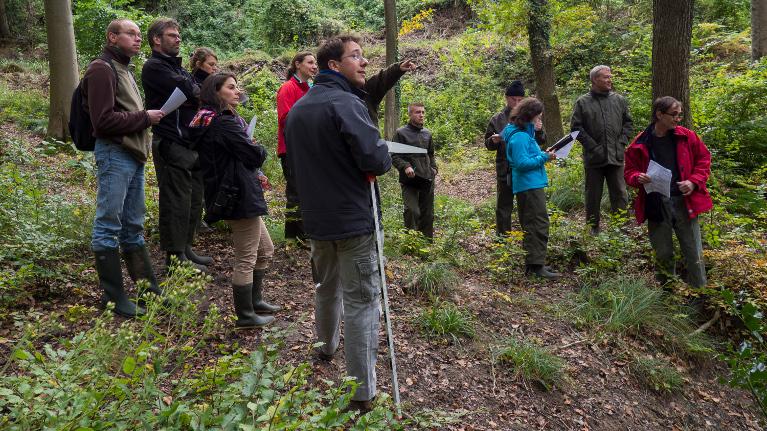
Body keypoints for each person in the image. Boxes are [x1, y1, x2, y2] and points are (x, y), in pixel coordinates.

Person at [284, 35, 392, 413]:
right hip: (353, 219)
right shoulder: (346, 102)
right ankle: (362, 392)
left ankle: (325, 346)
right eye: (356, 57)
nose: (364, 63)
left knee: (325, 287)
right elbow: (374, 159)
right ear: (334, 65)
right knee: (362, 301)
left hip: (316, 219)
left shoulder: (299, 110)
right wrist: (383, 153)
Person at [82, 19, 165, 317]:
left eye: (140, 34)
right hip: (115, 153)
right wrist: (145, 117)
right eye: (131, 34)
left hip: (133, 155)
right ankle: (115, 298)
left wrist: (143, 119)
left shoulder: (124, 69)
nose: (138, 38)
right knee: (108, 225)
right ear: (112, 37)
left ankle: (148, 292)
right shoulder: (101, 69)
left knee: (133, 226)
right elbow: (102, 122)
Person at [189, 72, 281, 328]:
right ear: (216, 92)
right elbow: (254, 155)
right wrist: (256, 146)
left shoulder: (206, 120)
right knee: (246, 256)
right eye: (231, 87)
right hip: (237, 193)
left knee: (265, 250)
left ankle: (255, 301)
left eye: (237, 86)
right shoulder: (224, 122)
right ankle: (245, 315)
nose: (237, 91)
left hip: (233, 190)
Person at [141, 18, 210, 271]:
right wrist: (195, 91)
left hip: (190, 142)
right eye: (172, 35)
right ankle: (174, 256)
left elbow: (197, 90)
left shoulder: (177, 67)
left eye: (178, 35)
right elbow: (193, 91)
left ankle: (187, 248)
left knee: (194, 198)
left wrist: (196, 91)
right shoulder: (154, 67)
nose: (178, 38)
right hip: (171, 141)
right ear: (157, 39)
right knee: (176, 200)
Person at [624, 96, 712, 288]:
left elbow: (704, 159)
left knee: (693, 251)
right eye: (674, 115)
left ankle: (700, 294)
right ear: (659, 114)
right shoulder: (641, 142)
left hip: (684, 202)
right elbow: (629, 172)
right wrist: (637, 177)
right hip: (656, 203)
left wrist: (693, 182)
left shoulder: (687, 136)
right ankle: (667, 296)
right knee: (663, 252)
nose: (677, 119)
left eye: (679, 115)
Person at [502, 98, 561, 280]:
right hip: (528, 185)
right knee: (536, 224)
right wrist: (544, 158)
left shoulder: (525, 134)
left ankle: (536, 262)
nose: (540, 118)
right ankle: (535, 267)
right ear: (530, 115)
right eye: (538, 116)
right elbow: (521, 163)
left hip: (531, 183)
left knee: (536, 223)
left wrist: (542, 154)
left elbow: (528, 156)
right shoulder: (519, 136)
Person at [570, 65, 633, 233]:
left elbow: (628, 123)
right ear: (594, 80)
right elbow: (576, 129)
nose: (609, 79)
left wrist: (621, 142)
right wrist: (594, 147)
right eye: (605, 77)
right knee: (593, 195)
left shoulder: (619, 100)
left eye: (610, 76)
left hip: (616, 155)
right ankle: (593, 229)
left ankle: (621, 230)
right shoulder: (582, 102)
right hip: (594, 158)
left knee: (620, 194)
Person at [484, 81, 545, 237]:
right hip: (505, 168)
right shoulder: (497, 119)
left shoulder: (531, 117)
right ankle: (503, 238)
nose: (516, 103)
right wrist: (494, 141)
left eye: (520, 100)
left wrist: (538, 131)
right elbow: (488, 144)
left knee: (527, 206)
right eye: (513, 99)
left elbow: (541, 141)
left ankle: (528, 237)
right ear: (506, 98)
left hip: (526, 170)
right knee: (504, 204)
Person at [276, 52, 317, 243]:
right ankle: (299, 235)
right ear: (297, 64)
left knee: (305, 191)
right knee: (296, 192)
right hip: (291, 148)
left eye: (315, 63)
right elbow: (285, 118)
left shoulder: (310, 89)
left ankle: (292, 236)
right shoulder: (287, 88)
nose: (314, 66)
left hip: (307, 149)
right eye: (310, 62)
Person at [392, 102, 437, 238]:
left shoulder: (427, 134)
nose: (421, 115)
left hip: (427, 178)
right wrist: (405, 166)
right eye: (417, 112)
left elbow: (431, 153)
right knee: (412, 211)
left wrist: (434, 168)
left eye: (423, 112)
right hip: (410, 179)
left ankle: (426, 244)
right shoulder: (401, 133)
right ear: (410, 114)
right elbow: (394, 155)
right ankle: (410, 243)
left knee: (427, 213)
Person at [362, 58, 416, 125]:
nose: (365, 62)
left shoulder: (365, 91)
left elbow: (381, 79)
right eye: (354, 56)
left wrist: (398, 69)